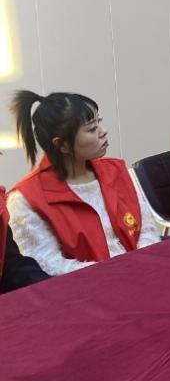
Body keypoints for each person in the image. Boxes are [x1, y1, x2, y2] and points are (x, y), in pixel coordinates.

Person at [6, 91, 161, 276]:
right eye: (92, 129)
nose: (103, 131)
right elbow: (49, 264)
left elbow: (147, 229)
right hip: (87, 285)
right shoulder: (25, 200)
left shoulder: (116, 170)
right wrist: (115, 272)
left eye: (99, 122)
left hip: (143, 272)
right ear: (62, 145)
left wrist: (141, 263)